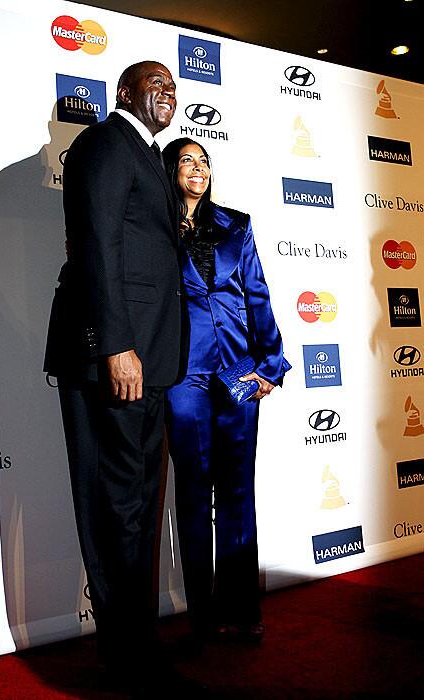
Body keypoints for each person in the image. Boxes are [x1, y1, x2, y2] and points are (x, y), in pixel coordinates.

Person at [44, 62, 181, 689]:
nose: (169, 94)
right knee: (114, 506)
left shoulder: (150, 156)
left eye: (174, 88)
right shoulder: (104, 142)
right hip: (117, 360)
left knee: (137, 507)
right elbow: (96, 244)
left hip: (149, 360)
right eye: (157, 83)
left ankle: (137, 644)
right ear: (126, 92)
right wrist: (115, 346)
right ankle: (126, 655)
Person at [162, 137, 291, 645]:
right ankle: (201, 618)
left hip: (239, 373)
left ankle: (241, 611)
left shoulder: (236, 224)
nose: (198, 168)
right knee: (193, 494)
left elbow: (257, 294)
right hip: (184, 376)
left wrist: (270, 366)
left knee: (238, 494)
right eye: (187, 161)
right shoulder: (156, 229)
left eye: (204, 160)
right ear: (170, 170)